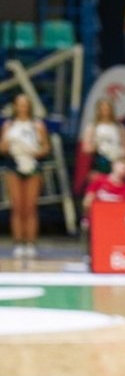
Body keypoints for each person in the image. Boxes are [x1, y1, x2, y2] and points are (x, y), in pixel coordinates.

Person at [2, 93, 48, 260]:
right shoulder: (9, 125)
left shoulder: (37, 125)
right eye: (20, 104)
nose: (23, 107)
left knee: (30, 207)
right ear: (15, 106)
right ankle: (18, 243)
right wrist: (9, 144)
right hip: (14, 166)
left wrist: (35, 152)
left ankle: (30, 243)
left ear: (29, 106)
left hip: (32, 166)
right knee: (17, 207)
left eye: (25, 104)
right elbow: (2, 148)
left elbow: (45, 147)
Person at [82, 98, 125, 177]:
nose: (105, 111)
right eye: (103, 109)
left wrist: (123, 158)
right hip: (100, 160)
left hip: (117, 162)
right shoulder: (93, 127)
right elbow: (86, 148)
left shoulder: (120, 128)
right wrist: (96, 145)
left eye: (107, 108)